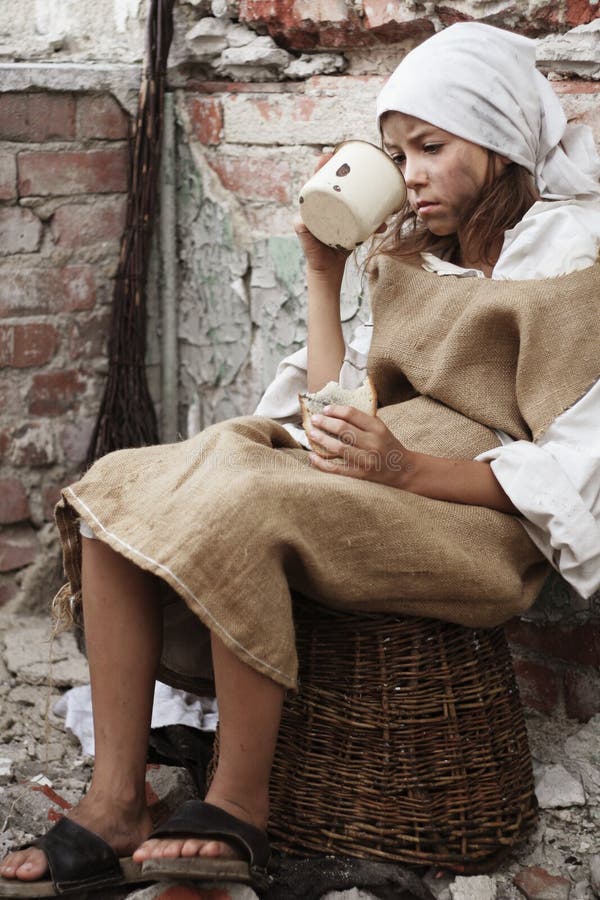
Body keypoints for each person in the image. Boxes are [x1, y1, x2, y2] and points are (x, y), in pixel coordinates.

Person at [2, 20, 600, 897]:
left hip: (469, 518)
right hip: (371, 478)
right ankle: (116, 799)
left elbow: (575, 469)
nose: (412, 175)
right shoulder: (415, 251)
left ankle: (240, 803)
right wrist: (324, 272)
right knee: (116, 488)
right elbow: (336, 397)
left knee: (247, 493)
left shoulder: (575, 264)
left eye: (431, 147)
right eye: (398, 153)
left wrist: (402, 469)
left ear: (503, 138)